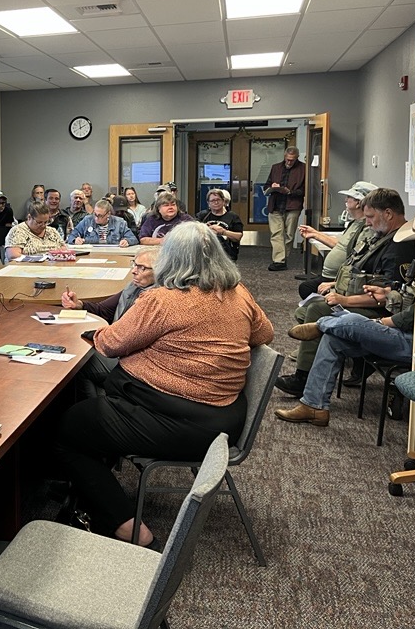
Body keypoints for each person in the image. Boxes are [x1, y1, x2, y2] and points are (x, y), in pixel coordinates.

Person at [54, 222, 273, 547]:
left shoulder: (163, 299)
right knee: (95, 416)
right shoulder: (238, 293)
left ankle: (129, 527)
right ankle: (93, 486)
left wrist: (94, 331)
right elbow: (265, 334)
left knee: (69, 426)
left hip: (177, 422)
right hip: (223, 420)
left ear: (171, 259)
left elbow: (111, 344)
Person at [275, 189, 415, 397]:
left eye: (371, 217)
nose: (367, 223)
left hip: (382, 312)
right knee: (311, 307)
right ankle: (319, 365)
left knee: (317, 310)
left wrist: (345, 300)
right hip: (364, 300)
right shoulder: (382, 238)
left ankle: (303, 378)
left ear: (388, 213)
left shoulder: (400, 247)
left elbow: (392, 298)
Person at [275, 279, 415, 427]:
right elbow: (409, 296)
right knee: (333, 339)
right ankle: (314, 406)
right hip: (400, 330)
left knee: (352, 321)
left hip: (414, 341)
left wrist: (380, 322)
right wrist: (387, 293)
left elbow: (411, 316)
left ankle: (321, 325)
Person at [61, 246, 159, 398]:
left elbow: (130, 338)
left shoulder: (157, 299)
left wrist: (100, 338)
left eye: (142, 268)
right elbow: (104, 310)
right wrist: (79, 305)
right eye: (134, 264)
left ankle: (94, 407)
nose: (134, 271)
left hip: (132, 359)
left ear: (160, 271)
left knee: (80, 364)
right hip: (116, 345)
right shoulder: (134, 286)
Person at [295, 181, 376, 299]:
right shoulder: (355, 223)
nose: (345, 200)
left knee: (306, 288)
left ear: (358, 203)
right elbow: (340, 244)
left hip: (341, 278)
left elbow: (357, 256)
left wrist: (335, 283)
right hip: (332, 275)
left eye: (349, 197)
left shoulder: (366, 228)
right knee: (307, 288)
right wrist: (315, 234)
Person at [264, 146, 305, 271]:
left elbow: (305, 190)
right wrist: (272, 186)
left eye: (292, 160)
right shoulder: (276, 167)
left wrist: (290, 192)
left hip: (293, 205)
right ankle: (279, 261)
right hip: (275, 205)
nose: (289, 162)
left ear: (297, 158)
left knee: (289, 235)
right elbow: (266, 185)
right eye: (287, 159)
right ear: (284, 156)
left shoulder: (303, 169)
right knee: (276, 233)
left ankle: (283, 258)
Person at [196, 188, 244, 260]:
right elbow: (193, 232)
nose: (216, 202)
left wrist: (223, 232)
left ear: (223, 201)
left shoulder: (233, 216)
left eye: (218, 200)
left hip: (226, 254)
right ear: (208, 203)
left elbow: (238, 237)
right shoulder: (202, 215)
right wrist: (207, 230)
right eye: (213, 200)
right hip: (205, 253)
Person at [67, 200, 138, 246]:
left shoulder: (119, 223)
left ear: (108, 214)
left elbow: (133, 238)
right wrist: (75, 240)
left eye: (100, 216)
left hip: (113, 254)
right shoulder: (87, 220)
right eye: (95, 214)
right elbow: (71, 236)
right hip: (91, 255)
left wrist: (126, 241)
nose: (96, 218)